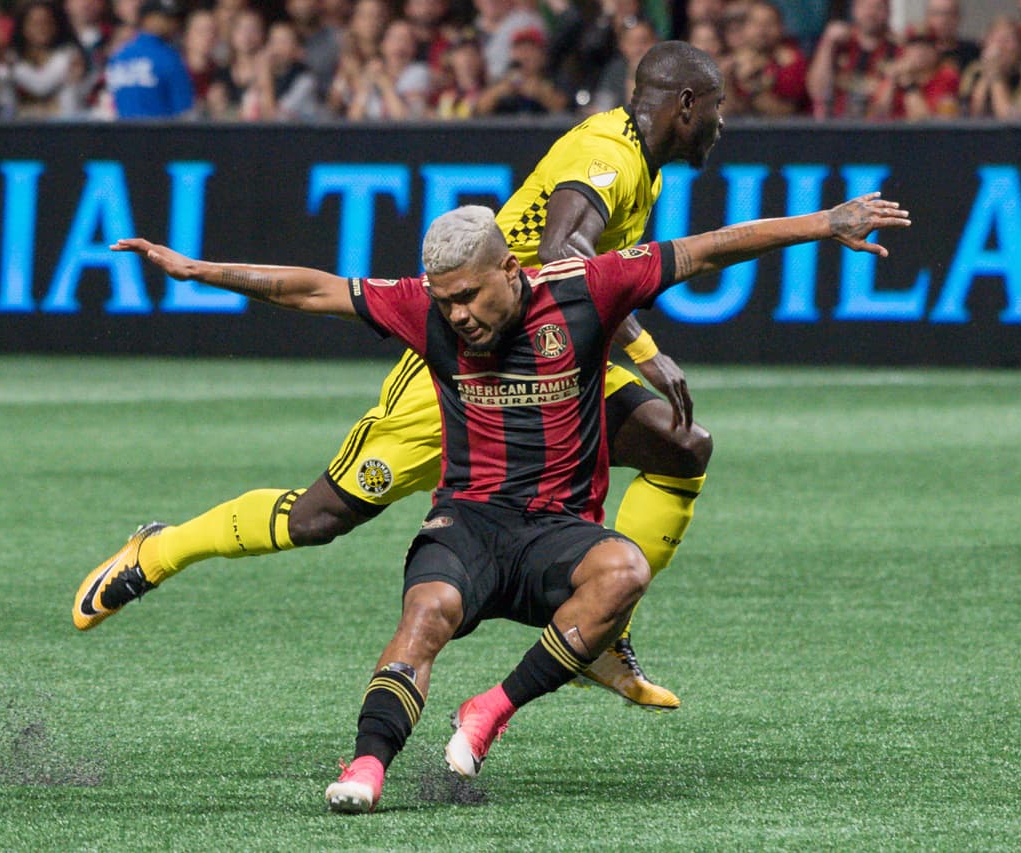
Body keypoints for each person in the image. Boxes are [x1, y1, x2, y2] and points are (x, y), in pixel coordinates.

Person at [110, 192, 910, 814]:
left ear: (509, 272)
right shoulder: (425, 310)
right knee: (423, 615)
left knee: (625, 569)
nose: (455, 315)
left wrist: (824, 222)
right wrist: (197, 270)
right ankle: (366, 765)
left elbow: (708, 247)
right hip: (468, 520)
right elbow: (311, 288)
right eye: (444, 301)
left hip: (558, 535)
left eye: (467, 297)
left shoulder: (589, 289)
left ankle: (490, 708)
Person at [73, 41, 721, 714]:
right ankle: (160, 549)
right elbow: (563, 256)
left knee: (681, 445)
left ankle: (604, 633)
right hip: (460, 370)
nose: (723, 123)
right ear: (685, 104)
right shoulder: (608, 156)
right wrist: (645, 349)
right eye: (718, 106)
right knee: (318, 516)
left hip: (544, 363)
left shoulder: (638, 165)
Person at [105, 0, 193, 119]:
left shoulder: (119, 56)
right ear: (148, 19)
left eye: (175, 19)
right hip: (161, 135)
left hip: (122, 134)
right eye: (166, 18)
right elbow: (184, 111)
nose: (174, 24)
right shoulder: (168, 57)